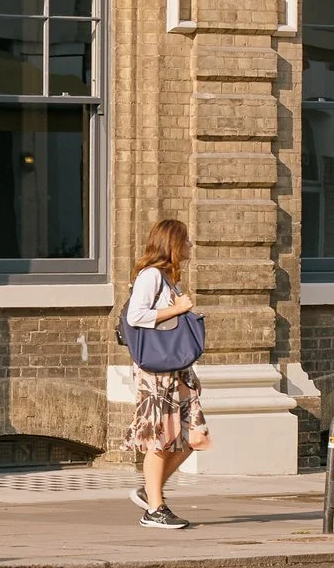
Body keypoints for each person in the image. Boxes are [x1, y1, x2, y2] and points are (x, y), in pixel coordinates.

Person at [123, 215, 207, 528]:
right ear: (172, 244)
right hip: (157, 374)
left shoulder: (168, 278)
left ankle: (151, 490)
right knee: (162, 438)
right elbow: (136, 316)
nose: (190, 245)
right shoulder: (151, 276)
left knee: (193, 436)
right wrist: (178, 308)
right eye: (185, 240)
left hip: (176, 370)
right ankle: (154, 510)